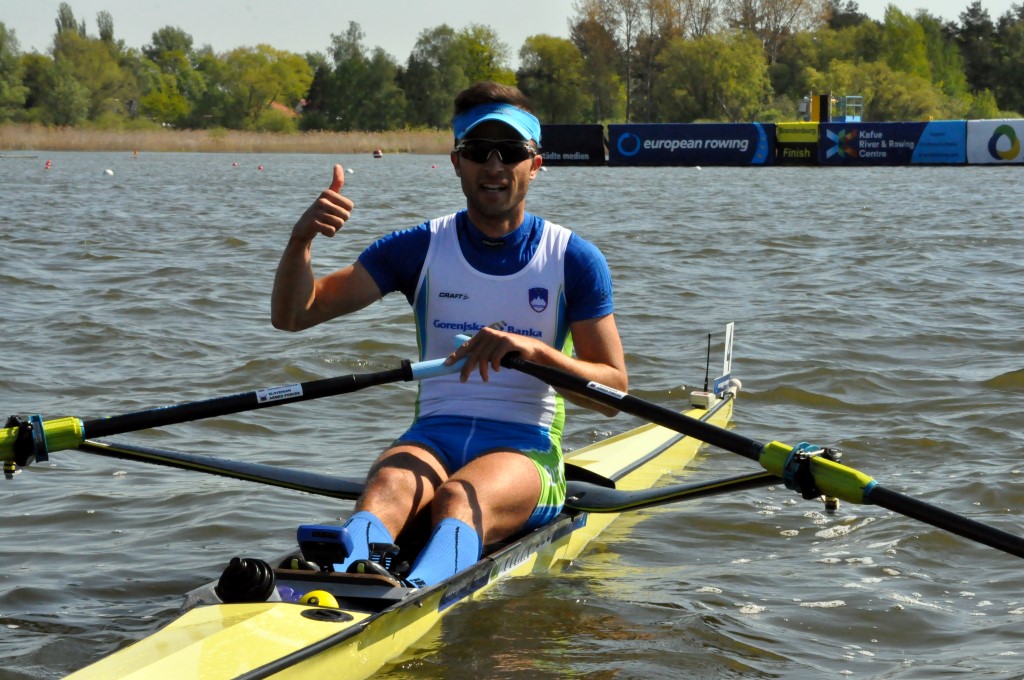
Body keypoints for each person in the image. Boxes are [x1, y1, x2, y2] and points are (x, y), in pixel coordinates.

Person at [271, 81, 627, 588]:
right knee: (389, 484)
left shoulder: (574, 259)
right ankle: (347, 573)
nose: (494, 165)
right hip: (433, 436)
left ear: (535, 164)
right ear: (457, 162)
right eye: (479, 150)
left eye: (511, 151)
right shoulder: (417, 248)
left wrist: (534, 352)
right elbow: (295, 315)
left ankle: (414, 594)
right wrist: (300, 241)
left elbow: (613, 392)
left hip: (526, 448)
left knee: (459, 498)